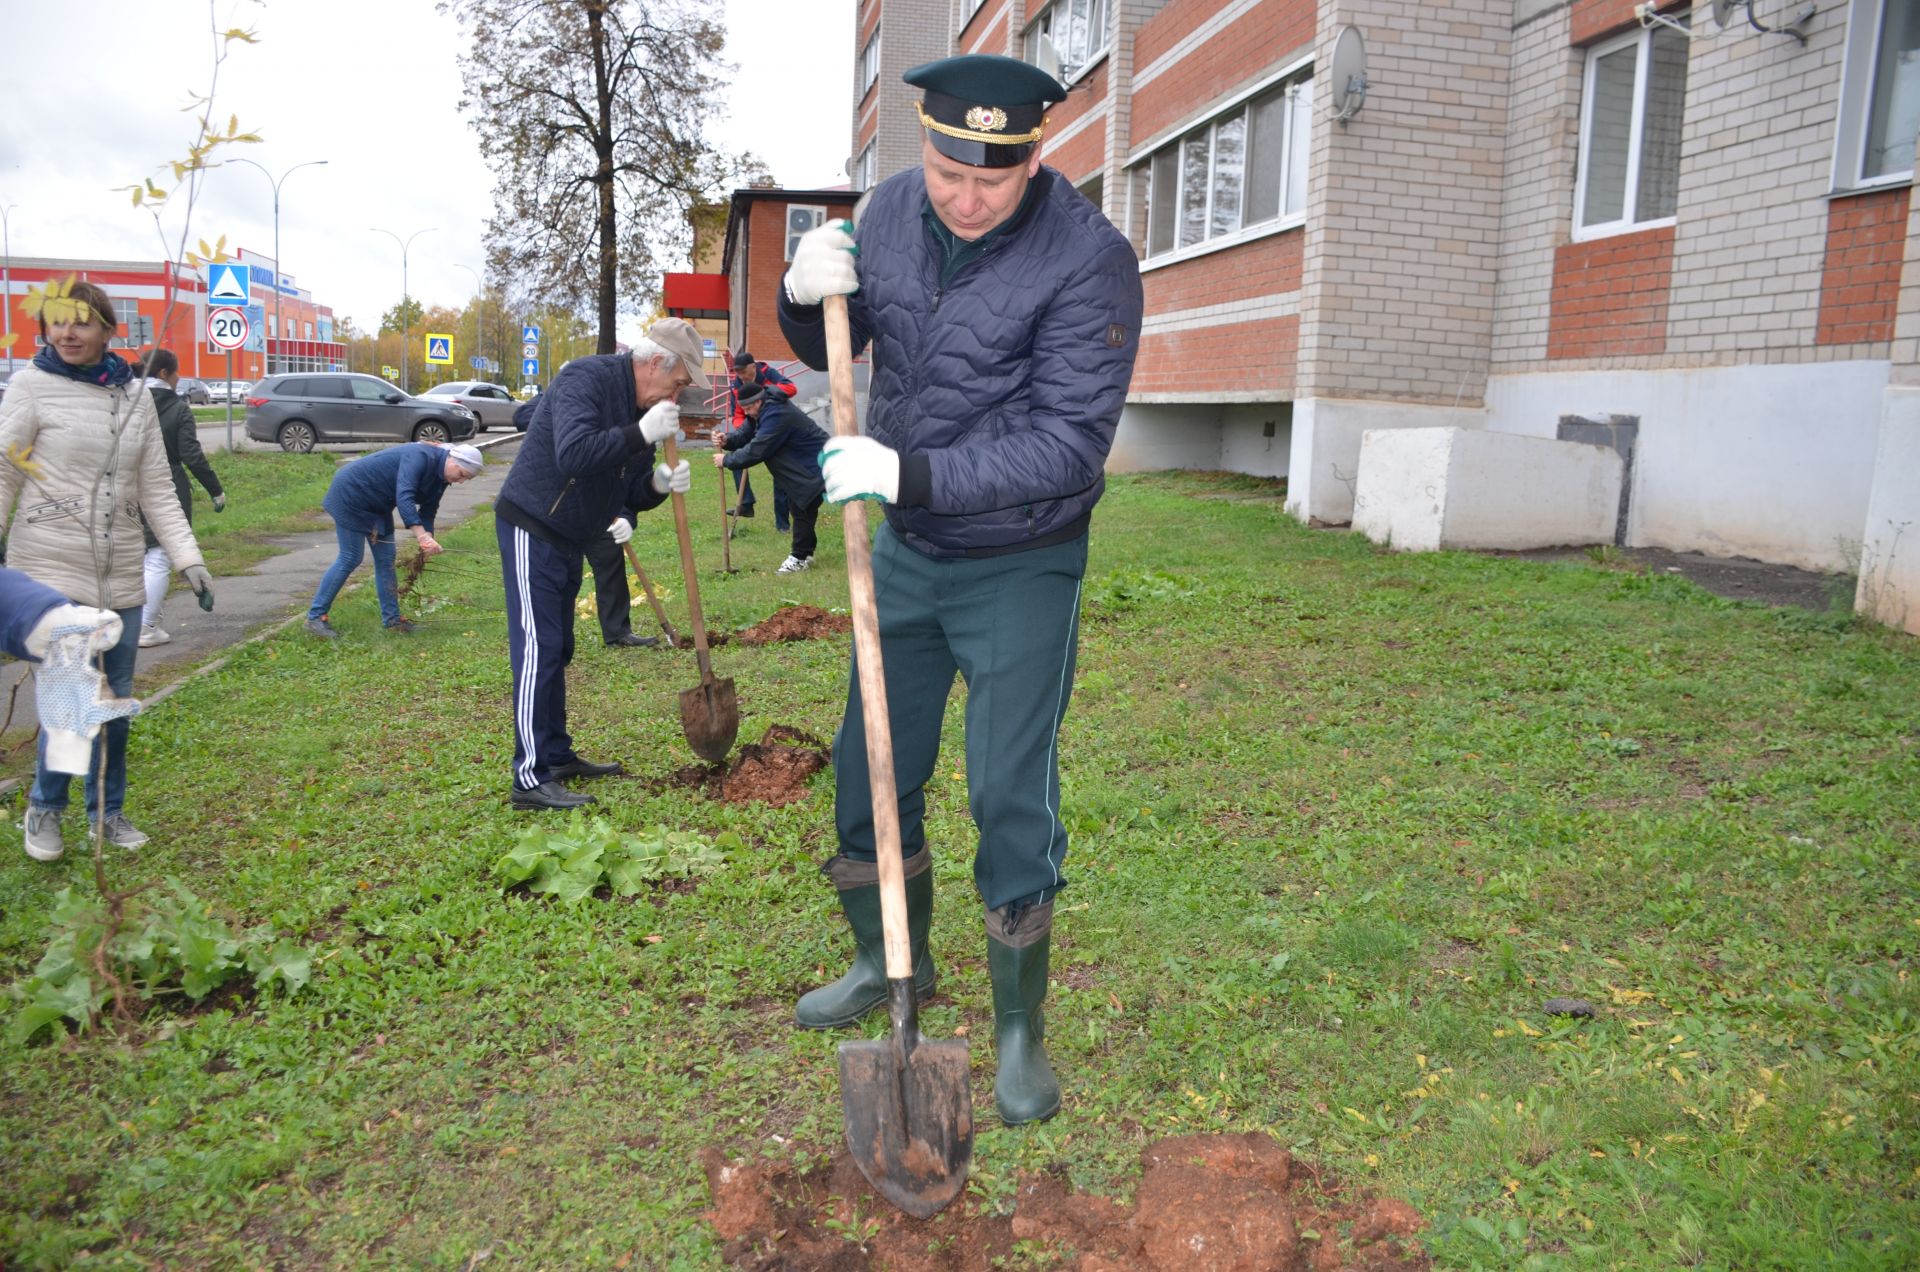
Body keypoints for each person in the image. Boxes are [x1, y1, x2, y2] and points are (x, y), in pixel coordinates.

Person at [777, 54, 1143, 1125]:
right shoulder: (889, 210)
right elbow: (845, 335)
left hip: (1024, 559)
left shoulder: (1090, 261)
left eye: (994, 177)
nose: (966, 197)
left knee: (1005, 789)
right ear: (923, 145)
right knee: (868, 767)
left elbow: (1072, 445)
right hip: (906, 554)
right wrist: (808, 304)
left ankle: (1020, 1026)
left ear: (1033, 158)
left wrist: (910, 472)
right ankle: (886, 958)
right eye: (947, 171)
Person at [0, 278, 215, 859]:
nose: (67, 332)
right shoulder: (31, 387)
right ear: (43, 328)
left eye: (81, 321)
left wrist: (188, 559)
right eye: (56, 321)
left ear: (106, 328)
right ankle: (45, 811)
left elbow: (158, 490)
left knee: (115, 701)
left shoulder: (136, 396)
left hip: (119, 571)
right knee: (71, 695)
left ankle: (107, 814)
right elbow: (3, 475)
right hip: (48, 570)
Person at [494, 317, 701, 811]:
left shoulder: (644, 408)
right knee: (538, 648)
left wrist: (656, 486)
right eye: (676, 384)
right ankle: (528, 778)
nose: (674, 397)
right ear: (654, 364)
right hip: (532, 525)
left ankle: (557, 755)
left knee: (559, 647)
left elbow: (627, 489)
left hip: (572, 535)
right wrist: (638, 431)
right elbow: (574, 455)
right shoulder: (583, 379)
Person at [305, 442, 484, 638]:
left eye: (466, 478)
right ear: (452, 460)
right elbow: (404, 496)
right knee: (350, 557)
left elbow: (429, 510)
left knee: (386, 560)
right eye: (461, 474)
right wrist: (420, 535)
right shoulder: (419, 456)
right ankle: (315, 617)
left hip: (378, 503)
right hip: (352, 494)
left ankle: (392, 621)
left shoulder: (442, 477)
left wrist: (428, 539)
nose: (461, 481)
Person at [137, 348, 225, 647]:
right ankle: (146, 625)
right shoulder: (176, 408)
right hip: (166, 482)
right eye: (176, 372)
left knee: (134, 552)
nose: (178, 379)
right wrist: (215, 489)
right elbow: (191, 454)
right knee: (160, 554)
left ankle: (137, 621)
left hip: (123, 482)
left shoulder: (126, 400)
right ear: (164, 374)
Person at [711, 382, 826, 573]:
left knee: (802, 507)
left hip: (815, 465)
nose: (746, 413)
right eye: (744, 409)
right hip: (803, 468)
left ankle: (799, 557)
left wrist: (727, 460)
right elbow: (745, 435)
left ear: (758, 402)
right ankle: (805, 554)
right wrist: (728, 440)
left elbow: (758, 449)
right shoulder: (761, 412)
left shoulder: (777, 414)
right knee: (801, 507)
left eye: (748, 408)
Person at [724, 351, 797, 529]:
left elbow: (790, 388)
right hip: (752, 425)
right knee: (737, 457)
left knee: (779, 472)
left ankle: (782, 525)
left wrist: (762, 394)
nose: (740, 377)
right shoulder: (736, 384)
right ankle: (746, 504)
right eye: (737, 373)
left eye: (743, 372)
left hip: (775, 424)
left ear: (752, 366)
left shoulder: (767, 372)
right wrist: (744, 429)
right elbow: (737, 414)